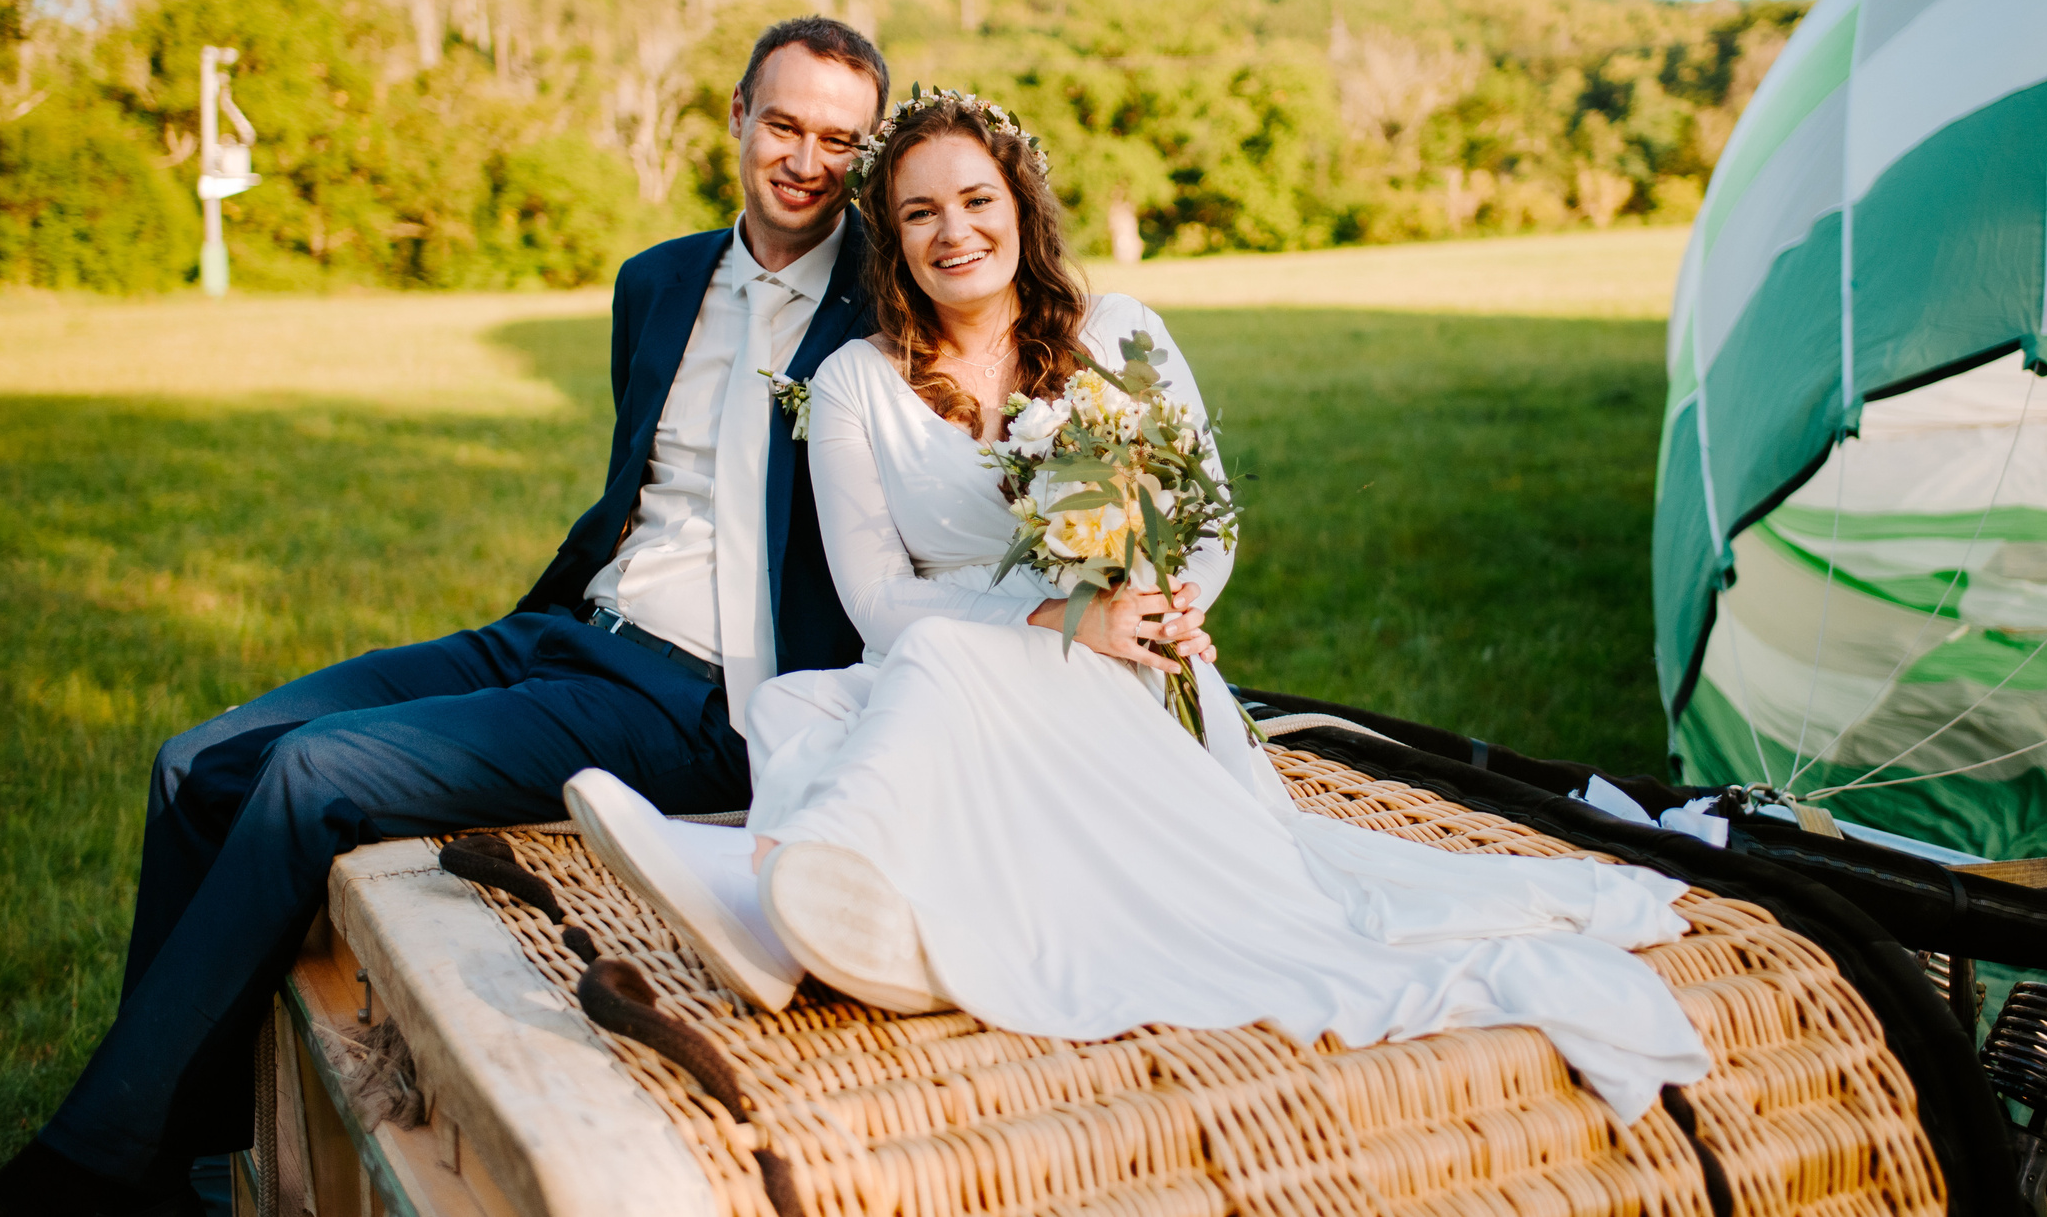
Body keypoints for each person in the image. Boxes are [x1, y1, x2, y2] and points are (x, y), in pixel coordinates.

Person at [567, 90, 1713, 1126]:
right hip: (958, 657)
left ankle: (775, 886)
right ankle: (841, 915)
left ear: (1019, 203)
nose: (953, 230)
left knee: (909, 694)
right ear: (888, 236)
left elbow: (1207, 522)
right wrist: (1049, 622)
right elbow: (878, 602)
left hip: (1127, 674)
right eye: (918, 213)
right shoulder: (856, 380)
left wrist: (1155, 605)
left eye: (975, 198)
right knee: (868, 689)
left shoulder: (1117, 337)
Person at [0, 18, 891, 1217]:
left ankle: (82, 1175)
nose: (807, 158)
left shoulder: (885, 299)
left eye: (840, 140)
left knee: (309, 774)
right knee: (196, 763)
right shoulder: (656, 279)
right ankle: (184, 1152)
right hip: (567, 629)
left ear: (865, 154)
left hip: (707, 697)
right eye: (787, 124)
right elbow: (636, 492)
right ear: (740, 117)